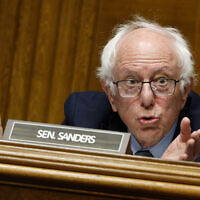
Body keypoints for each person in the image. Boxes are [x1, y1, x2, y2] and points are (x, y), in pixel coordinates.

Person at [63, 16, 200, 162]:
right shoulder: (83, 120)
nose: (147, 99)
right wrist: (163, 172)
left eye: (162, 81)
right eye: (131, 81)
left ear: (185, 90)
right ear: (110, 94)